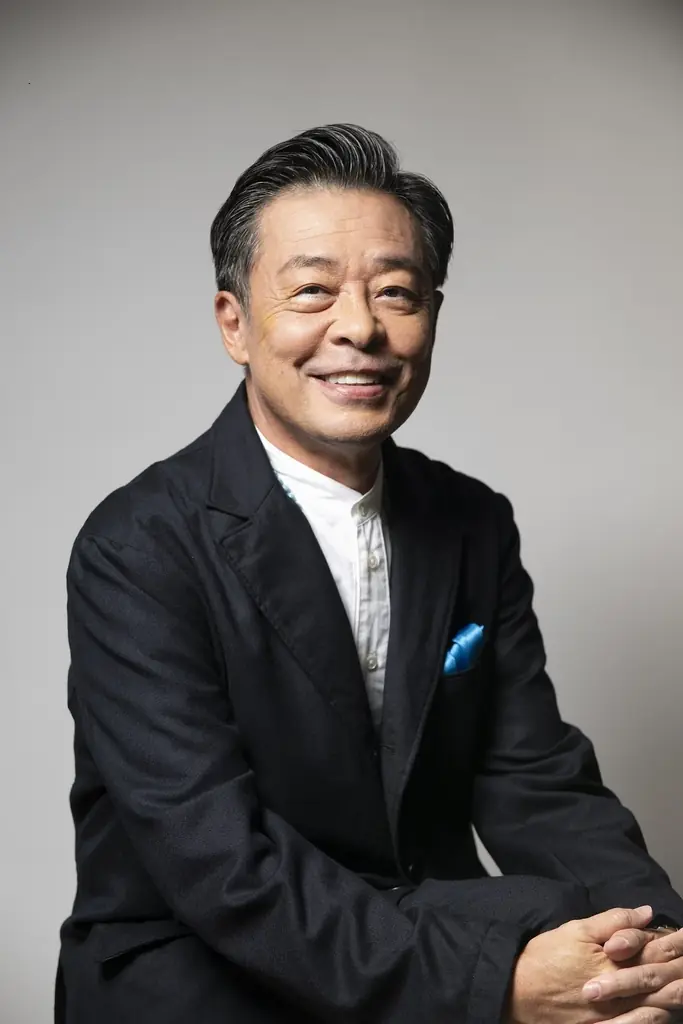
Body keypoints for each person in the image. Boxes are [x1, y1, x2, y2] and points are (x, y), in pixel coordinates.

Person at [56, 124, 683, 1023]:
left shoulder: (469, 521)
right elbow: (222, 863)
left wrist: (656, 943)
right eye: (312, 291)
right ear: (234, 323)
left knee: (623, 982)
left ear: (432, 314)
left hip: (420, 920)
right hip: (203, 957)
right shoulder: (136, 546)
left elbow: (533, 780)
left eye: (395, 292)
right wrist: (495, 986)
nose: (359, 328)